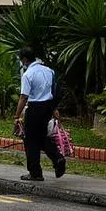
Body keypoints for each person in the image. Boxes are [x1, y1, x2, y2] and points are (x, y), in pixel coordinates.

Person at [14, 47, 66, 181]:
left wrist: (17, 116)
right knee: (42, 136)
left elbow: (23, 97)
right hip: (48, 107)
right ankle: (58, 158)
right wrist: (54, 108)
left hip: (35, 107)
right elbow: (53, 90)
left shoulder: (28, 74)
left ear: (25, 59)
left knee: (30, 140)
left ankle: (35, 172)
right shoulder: (49, 71)